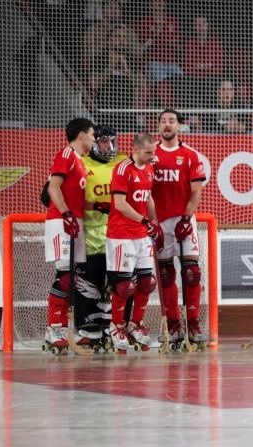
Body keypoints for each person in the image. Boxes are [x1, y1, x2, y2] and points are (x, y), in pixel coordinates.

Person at [152, 109, 208, 347]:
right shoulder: (151, 154)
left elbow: (196, 192)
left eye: (171, 121)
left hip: (183, 218)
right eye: (163, 121)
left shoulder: (190, 155)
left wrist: (186, 218)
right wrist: (151, 221)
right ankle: (173, 324)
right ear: (158, 126)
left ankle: (193, 323)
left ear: (179, 126)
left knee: (191, 272)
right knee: (165, 275)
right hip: (159, 220)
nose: (167, 125)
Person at [106, 132, 164, 352]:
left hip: (142, 234)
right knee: (123, 286)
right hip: (121, 234)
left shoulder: (149, 168)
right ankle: (116, 326)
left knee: (146, 282)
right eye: (148, 152)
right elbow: (120, 204)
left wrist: (155, 224)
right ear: (135, 150)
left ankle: (135, 324)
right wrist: (144, 220)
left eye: (153, 152)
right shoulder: (122, 169)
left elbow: (148, 197)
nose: (152, 156)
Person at [43, 117, 96, 353]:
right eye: (92, 135)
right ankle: (54, 328)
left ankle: (65, 328)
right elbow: (53, 188)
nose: (93, 139)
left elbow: (77, 197)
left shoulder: (81, 161)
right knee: (64, 276)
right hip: (61, 221)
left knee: (72, 278)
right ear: (81, 135)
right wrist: (66, 214)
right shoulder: (65, 155)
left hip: (76, 221)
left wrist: (100, 207)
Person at [74, 125, 129, 351]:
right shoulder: (82, 163)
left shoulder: (123, 162)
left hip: (119, 233)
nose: (109, 146)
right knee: (90, 284)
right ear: (95, 143)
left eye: (112, 141)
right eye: (104, 141)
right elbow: (73, 195)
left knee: (121, 285)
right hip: (90, 235)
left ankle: (116, 326)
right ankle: (88, 329)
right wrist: (97, 205)